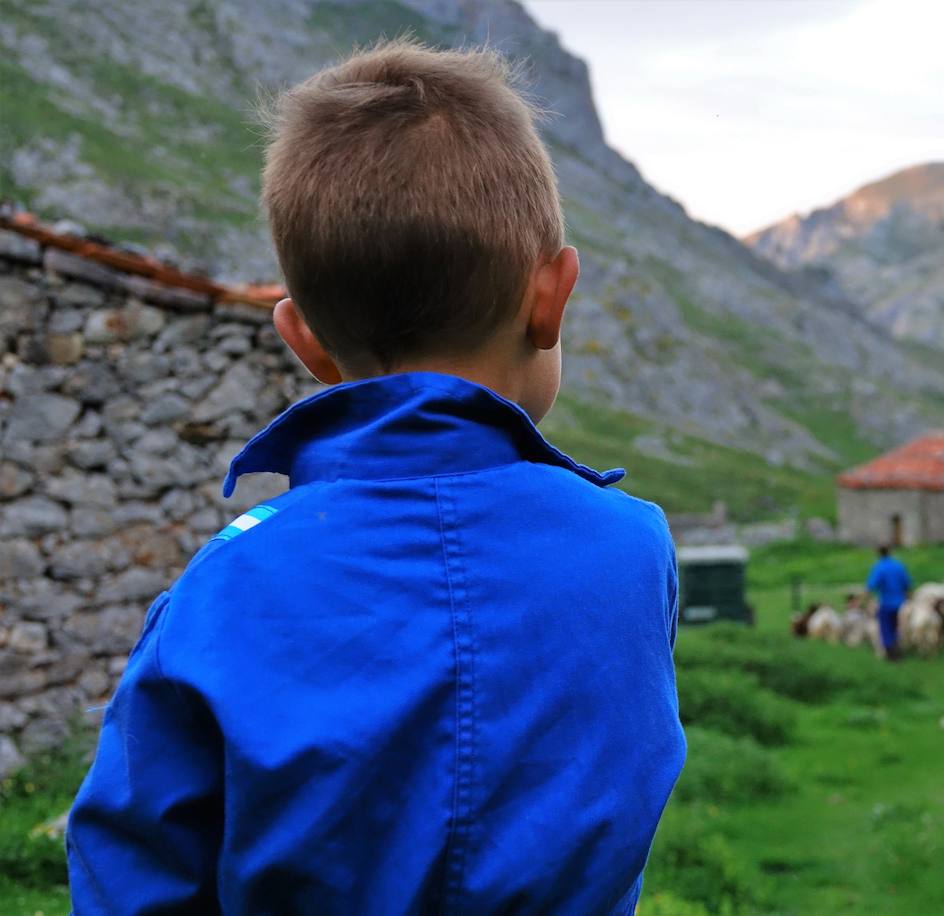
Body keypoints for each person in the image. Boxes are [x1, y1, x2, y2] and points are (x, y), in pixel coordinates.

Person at [66, 40, 686, 913]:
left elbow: (130, 870)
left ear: (304, 340)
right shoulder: (634, 547)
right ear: (552, 295)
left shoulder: (222, 587)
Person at [866, 545, 912, 660]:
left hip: (886, 603)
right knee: (899, 626)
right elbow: (907, 584)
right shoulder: (899, 566)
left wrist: (865, 598)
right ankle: (899, 646)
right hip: (901, 603)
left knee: (886, 628)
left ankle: (891, 652)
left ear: (878, 554)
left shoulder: (879, 567)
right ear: (890, 552)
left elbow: (871, 586)